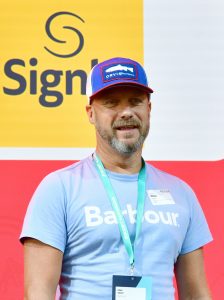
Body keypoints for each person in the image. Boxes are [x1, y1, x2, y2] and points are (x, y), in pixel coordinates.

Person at [20, 57, 213, 300]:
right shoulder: (59, 188)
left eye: (136, 102)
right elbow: (37, 293)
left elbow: (197, 294)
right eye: (112, 103)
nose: (127, 112)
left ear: (149, 109)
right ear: (91, 114)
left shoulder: (180, 193)